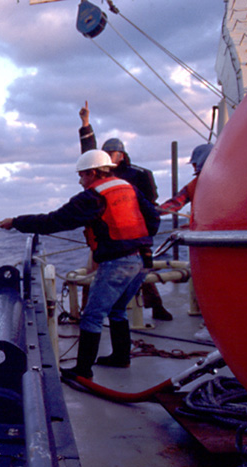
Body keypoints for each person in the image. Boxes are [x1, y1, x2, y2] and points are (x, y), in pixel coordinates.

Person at [0, 150, 161, 381]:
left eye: (82, 175)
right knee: (117, 310)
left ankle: (83, 371)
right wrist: (138, 240)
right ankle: (121, 357)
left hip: (118, 263)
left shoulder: (92, 197)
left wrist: (16, 222)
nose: (80, 181)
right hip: (143, 259)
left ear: (93, 173)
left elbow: (53, 221)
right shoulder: (129, 188)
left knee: (92, 317)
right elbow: (152, 219)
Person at [79, 101, 172, 321]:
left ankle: (156, 306)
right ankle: (84, 311)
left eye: (113, 153)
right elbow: (89, 153)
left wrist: (144, 236)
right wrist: (85, 124)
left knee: (139, 275)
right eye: (106, 153)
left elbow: (149, 205)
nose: (109, 156)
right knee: (92, 273)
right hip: (104, 235)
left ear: (122, 154)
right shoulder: (100, 171)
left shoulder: (138, 175)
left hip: (131, 235)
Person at [158, 144, 213, 214]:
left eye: (194, 164)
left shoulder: (194, 185)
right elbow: (176, 203)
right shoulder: (193, 186)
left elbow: (176, 203)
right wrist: (153, 211)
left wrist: (152, 211)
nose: (194, 168)